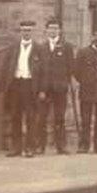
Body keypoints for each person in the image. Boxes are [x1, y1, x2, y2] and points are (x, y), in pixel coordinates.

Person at [0, 20, 44, 158]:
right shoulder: (13, 48)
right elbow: (5, 68)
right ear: (20, 32)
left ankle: (30, 147)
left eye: (29, 30)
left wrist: (42, 90)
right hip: (15, 85)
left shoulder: (38, 49)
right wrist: (3, 87)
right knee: (15, 117)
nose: (26, 33)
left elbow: (43, 71)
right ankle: (16, 148)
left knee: (30, 117)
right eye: (24, 30)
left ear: (32, 32)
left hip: (30, 86)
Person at [37, 18, 74, 155]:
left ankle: (61, 146)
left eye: (55, 28)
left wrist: (64, 83)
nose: (53, 31)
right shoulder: (41, 47)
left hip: (60, 89)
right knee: (41, 118)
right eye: (50, 28)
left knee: (60, 118)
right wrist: (41, 89)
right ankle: (40, 146)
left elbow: (71, 68)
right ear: (46, 30)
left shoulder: (66, 47)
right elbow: (38, 70)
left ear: (60, 30)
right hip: (44, 90)